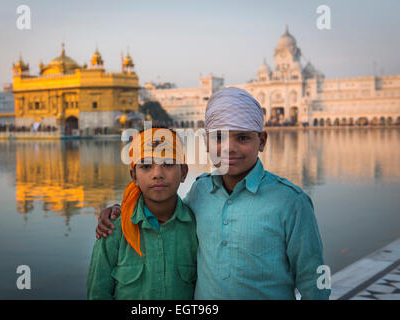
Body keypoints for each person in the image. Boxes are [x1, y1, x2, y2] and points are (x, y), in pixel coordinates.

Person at [97, 87, 330, 300]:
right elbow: (163, 207)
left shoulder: (290, 201)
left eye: (243, 137)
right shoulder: (201, 191)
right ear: (206, 142)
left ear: (262, 140)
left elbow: (315, 279)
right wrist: (120, 208)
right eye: (219, 137)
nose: (229, 148)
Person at [87, 127, 198, 300]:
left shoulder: (196, 228)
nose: (157, 174)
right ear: (134, 176)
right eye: (146, 166)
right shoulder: (114, 228)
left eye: (168, 164)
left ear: (183, 172)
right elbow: (97, 293)